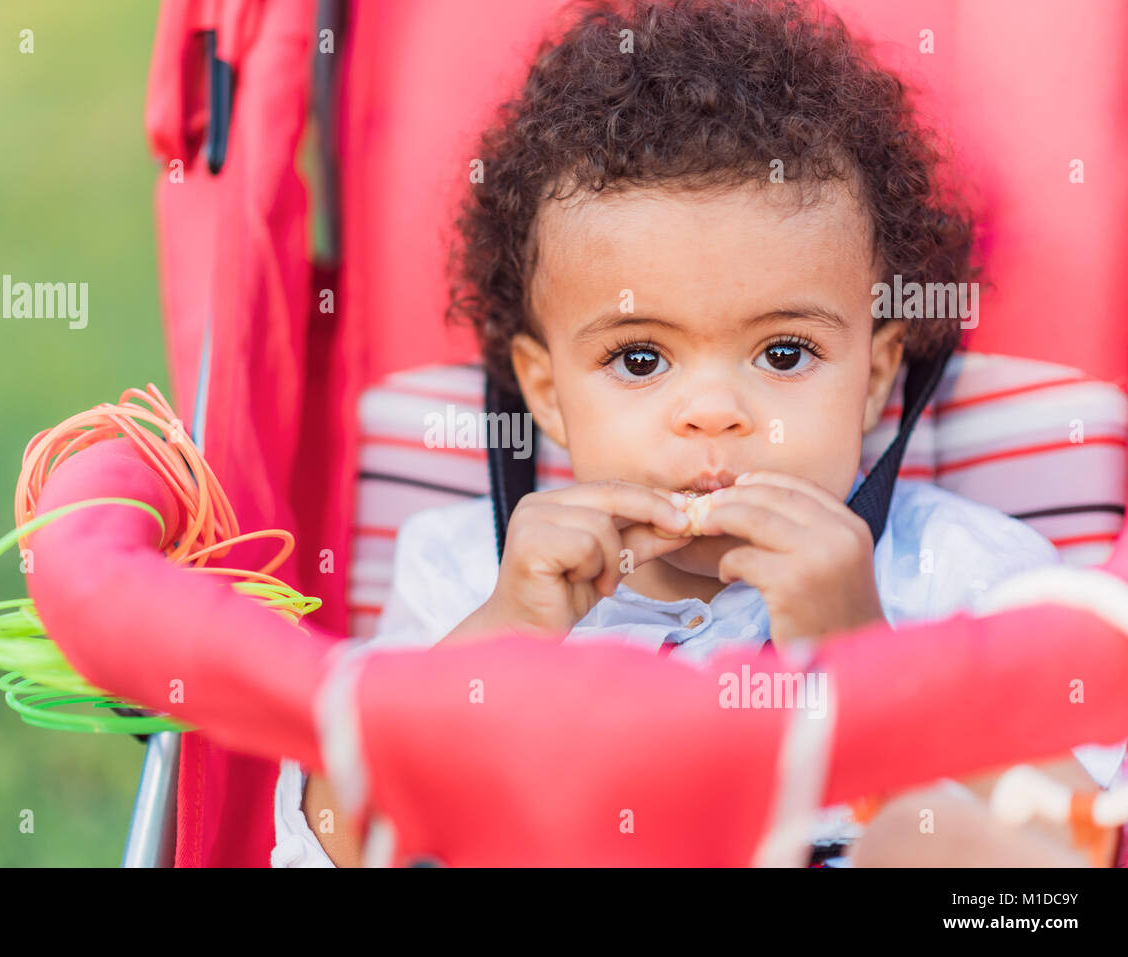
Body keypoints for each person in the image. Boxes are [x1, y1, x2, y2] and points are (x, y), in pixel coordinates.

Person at [271, 0, 1123, 867]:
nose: (713, 412)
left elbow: (1074, 852)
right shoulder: (469, 574)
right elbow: (329, 844)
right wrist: (504, 632)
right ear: (546, 393)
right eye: (640, 360)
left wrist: (866, 657)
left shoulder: (961, 579)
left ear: (872, 379)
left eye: (783, 352)